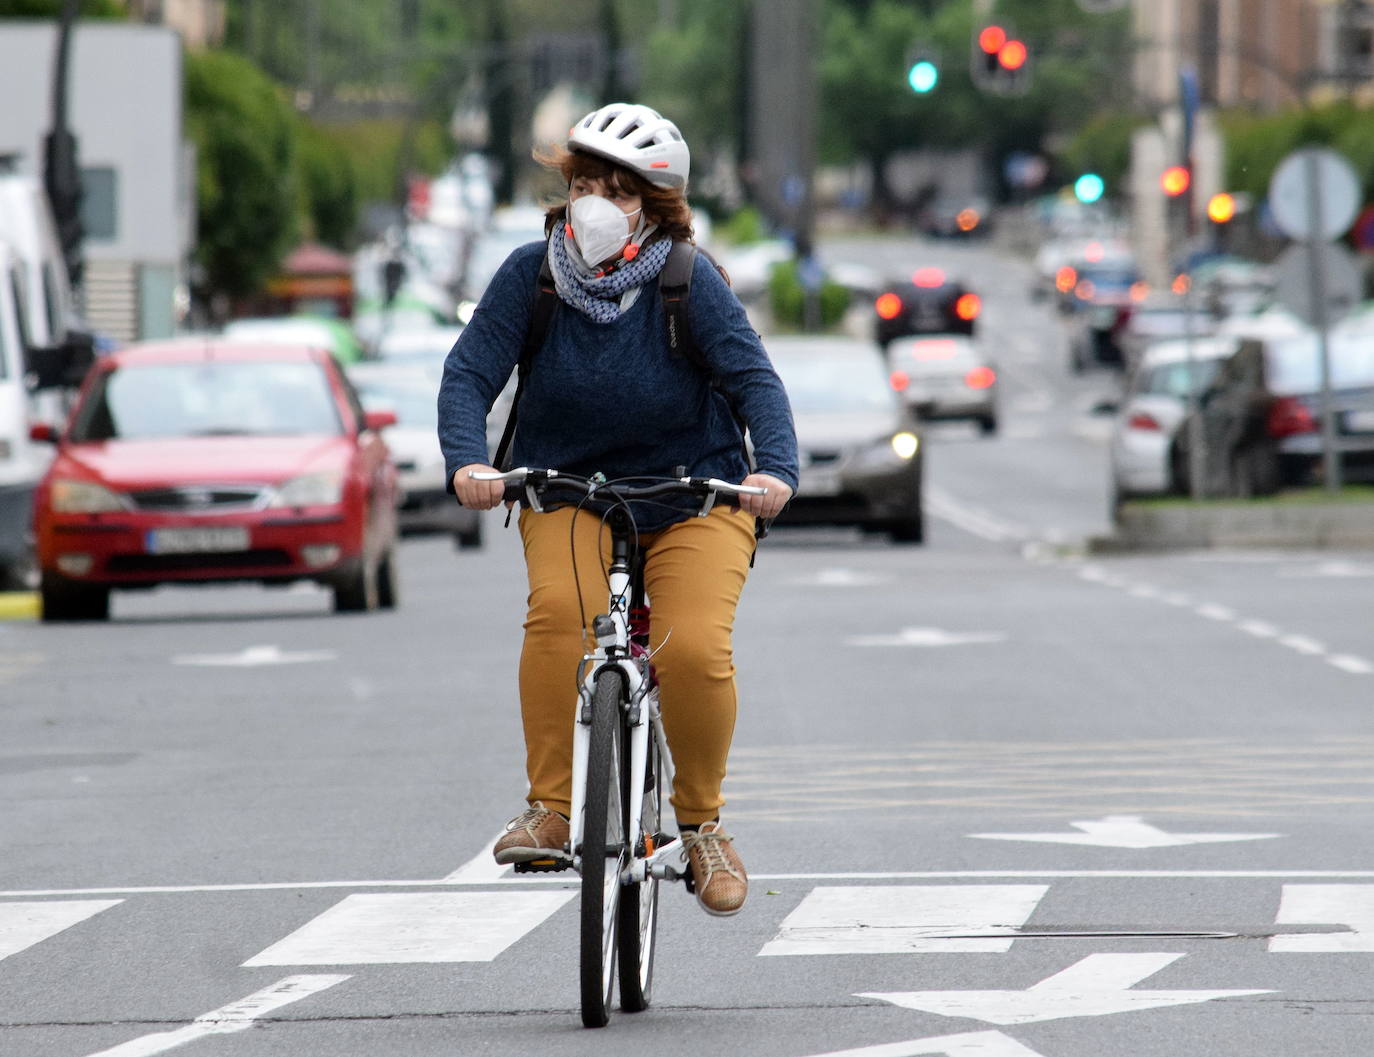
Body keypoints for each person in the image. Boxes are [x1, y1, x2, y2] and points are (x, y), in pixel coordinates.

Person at [437, 102, 798, 917]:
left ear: (655, 206)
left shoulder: (687, 280)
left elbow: (754, 383)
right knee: (560, 613)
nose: (599, 202)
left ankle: (702, 826)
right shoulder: (529, 275)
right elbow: (468, 377)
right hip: (568, 488)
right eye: (588, 183)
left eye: (622, 190)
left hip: (693, 492)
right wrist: (466, 458)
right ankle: (552, 806)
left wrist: (775, 467)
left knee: (695, 648)